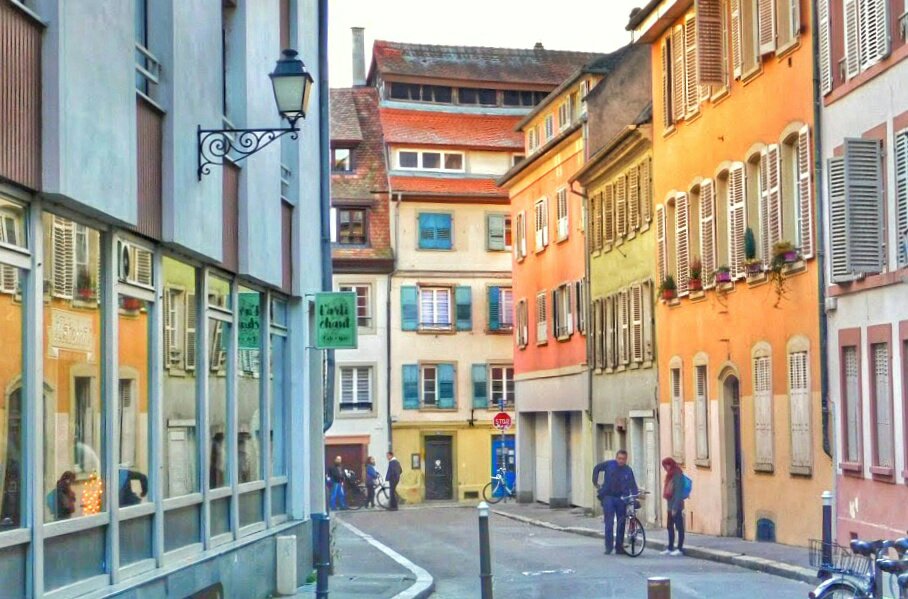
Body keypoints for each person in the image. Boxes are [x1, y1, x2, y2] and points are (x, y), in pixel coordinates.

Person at [591, 449, 638, 555]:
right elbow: (597, 468)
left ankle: (619, 547)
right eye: (619, 458)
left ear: (626, 460)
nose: (621, 461)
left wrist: (634, 497)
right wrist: (595, 482)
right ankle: (608, 547)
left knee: (621, 523)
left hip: (621, 498)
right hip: (608, 497)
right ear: (616, 458)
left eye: (623, 459)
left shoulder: (628, 470)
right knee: (609, 522)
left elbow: (633, 484)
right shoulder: (609, 464)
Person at [660, 457, 685, 556]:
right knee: (669, 527)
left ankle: (680, 548)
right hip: (670, 506)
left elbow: (678, 492)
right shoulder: (670, 475)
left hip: (676, 505)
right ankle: (670, 547)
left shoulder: (677, 475)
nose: (665, 468)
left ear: (670, 464)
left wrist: (675, 507)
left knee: (679, 527)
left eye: (666, 465)